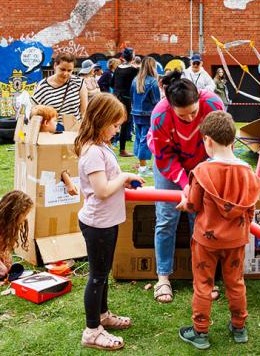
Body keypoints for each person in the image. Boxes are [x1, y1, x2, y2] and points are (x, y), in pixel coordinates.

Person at [177, 111, 260, 350]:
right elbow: (249, 209)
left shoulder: (202, 171)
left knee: (203, 284)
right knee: (235, 283)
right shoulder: (248, 172)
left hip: (206, 240)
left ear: (208, 140)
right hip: (236, 240)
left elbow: (193, 205)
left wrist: (185, 202)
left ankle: (200, 332)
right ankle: (239, 328)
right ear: (233, 141)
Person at [149, 70, 224, 304]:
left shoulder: (213, 104)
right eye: (183, 116)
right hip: (170, 165)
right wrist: (184, 185)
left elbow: (220, 144)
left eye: (193, 112)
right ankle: (163, 277)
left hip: (204, 162)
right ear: (171, 108)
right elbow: (164, 157)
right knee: (166, 217)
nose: (191, 119)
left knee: (200, 219)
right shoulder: (160, 116)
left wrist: (200, 180)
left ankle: (201, 278)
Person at [76, 93, 143, 351]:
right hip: (98, 225)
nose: (117, 130)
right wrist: (124, 175)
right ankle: (92, 331)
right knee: (97, 277)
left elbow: (107, 184)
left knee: (102, 275)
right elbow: (102, 190)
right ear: (101, 120)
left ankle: (103, 316)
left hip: (107, 222)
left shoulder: (101, 146)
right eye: (115, 125)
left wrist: (123, 181)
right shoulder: (93, 152)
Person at [32, 52, 88, 121]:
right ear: (55, 65)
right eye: (62, 69)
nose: (65, 73)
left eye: (69, 70)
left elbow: (84, 112)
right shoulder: (42, 86)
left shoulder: (79, 83)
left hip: (75, 129)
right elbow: (35, 113)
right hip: (52, 130)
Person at [131, 57, 160, 176]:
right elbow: (156, 100)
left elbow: (131, 97)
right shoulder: (152, 81)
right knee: (145, 140)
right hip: (148, 114)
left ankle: (141, 165)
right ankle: (143, 169)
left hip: (136, 113)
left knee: (138, 139)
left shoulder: (135, 80)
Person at [112, 48, 139, 157]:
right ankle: (122, 150)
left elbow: (112, 83)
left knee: (112, 121)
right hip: (126, 98)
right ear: (132, 57)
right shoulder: (134, 70)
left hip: (115, 97)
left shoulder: (118, 68)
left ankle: (110, 143)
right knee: (125, 123)